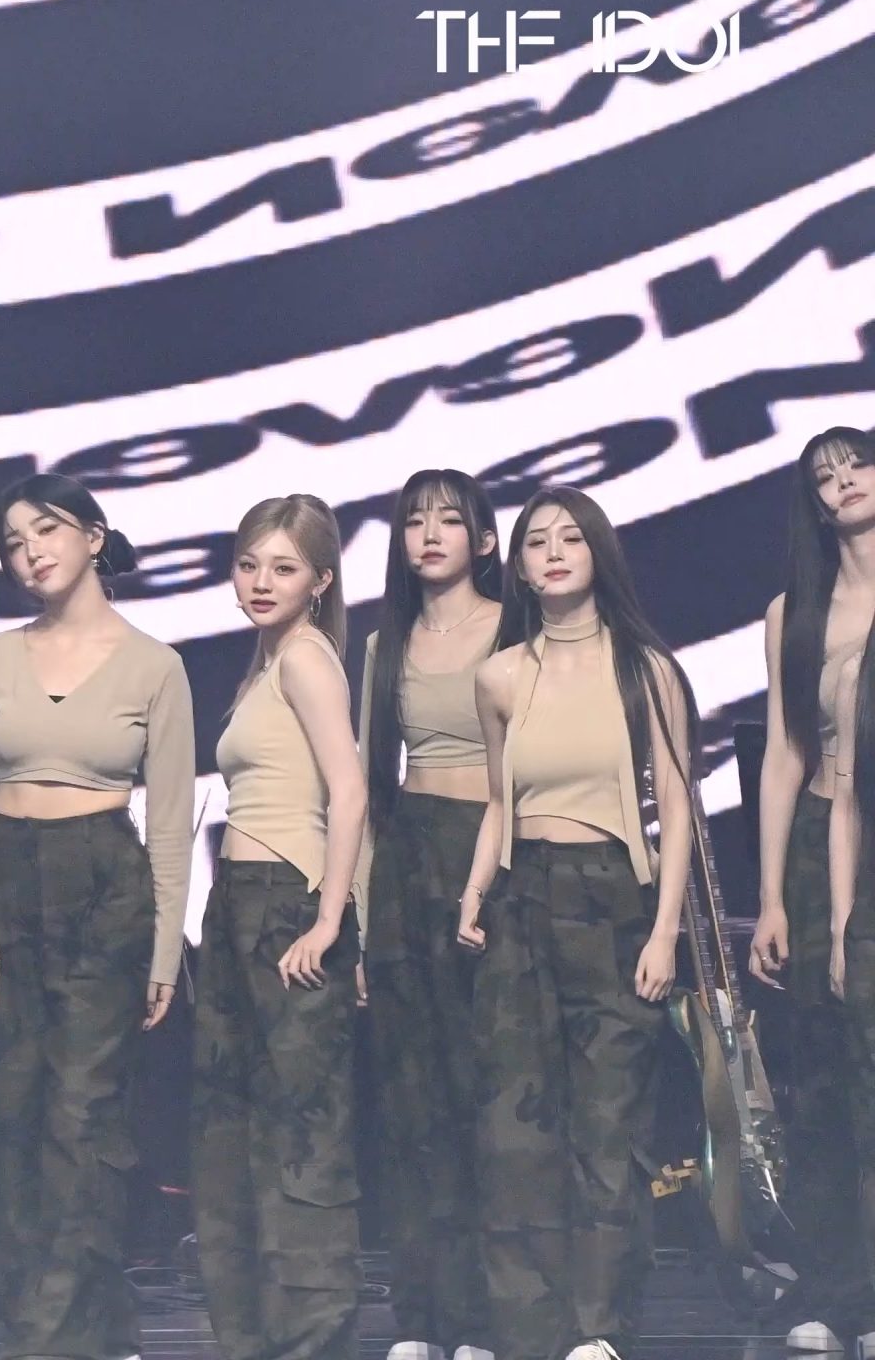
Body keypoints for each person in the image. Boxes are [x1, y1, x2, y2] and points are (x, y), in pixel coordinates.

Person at [0, 474, 192, 1360]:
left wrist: (165, 950)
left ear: (94, 535)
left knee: (85, 1118)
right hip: (8, 878)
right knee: (14, 1111)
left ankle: (66, 1337)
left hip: (104, 881)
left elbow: (170, 821)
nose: (30, 552)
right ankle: (61, 1327)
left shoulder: (154, 666)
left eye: (45, 530)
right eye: (12, 542)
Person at [458, 487, 692, 1360]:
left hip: (615, 894)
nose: (553, 553)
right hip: (522, 894)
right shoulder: (499, 675)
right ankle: (527, 1326)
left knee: (609, 1120)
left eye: (570, 538)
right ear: (518, 566)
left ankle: (598, 1327)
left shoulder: (645, 668)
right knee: (515, 1126)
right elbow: (498, 800)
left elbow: (676, 802)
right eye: (536, 542)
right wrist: (475, 892)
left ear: (598, 551)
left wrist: (664, 930)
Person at [195, 494, 367, 1360]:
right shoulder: (267, 659)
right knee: (234, 1127)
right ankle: (252, 1335)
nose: (261, 582)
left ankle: (311, 1338)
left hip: (287, 897)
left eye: (284, 567)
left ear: (320, 580)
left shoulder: (305, 659)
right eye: (248, 564)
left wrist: (331, 916)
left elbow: (351, 789)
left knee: (301, 1127)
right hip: (240, 900)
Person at [354, 472, 502, 1360]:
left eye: (450, 519)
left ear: (485, 540)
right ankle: (423, 1314)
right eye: (415, 521)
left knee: (486, 1090)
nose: (431, 534)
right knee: (414, 1100)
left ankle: (486, 1317)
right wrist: (362, 918)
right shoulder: (387, 642)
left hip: (491, 851)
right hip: (409, 855)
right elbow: (371, 788)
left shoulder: (515, 629)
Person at [753, 430, 875, 1353]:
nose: (843, 484)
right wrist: (772, 897)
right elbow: (786, 751)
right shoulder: (794, 611)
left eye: (856, 464)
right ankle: (836, 1293)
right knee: (822, 1086)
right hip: (819, 840)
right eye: (825, 477)